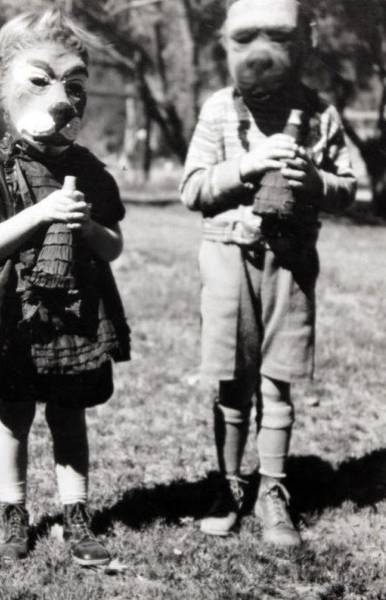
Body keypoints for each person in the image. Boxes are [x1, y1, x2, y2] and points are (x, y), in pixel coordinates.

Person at [0, 9, 130, 566]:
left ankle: (77, 517)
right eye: (40, 80)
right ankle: (15, 517)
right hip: (13, 315)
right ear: (5, 88)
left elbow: (113, 247)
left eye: (75, 85)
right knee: (12, 416)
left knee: (69, 415)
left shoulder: (91, 171)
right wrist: (42, 212)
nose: (61, 100)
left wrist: (87, 225)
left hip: (75, 315)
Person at [180, 0, 356, 546]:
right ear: (225, 43)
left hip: (292, 263)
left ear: (307, 41)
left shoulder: (320, 113)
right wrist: (246, 166)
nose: (260, 55)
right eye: (245, 39)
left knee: (278, 381)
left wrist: (317, 182)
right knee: (232, 383)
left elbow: (351, 188)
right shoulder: (218, 109)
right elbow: (192, 188)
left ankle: (272, 491)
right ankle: (230, 486)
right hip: (228, 257)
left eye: (278, 38)